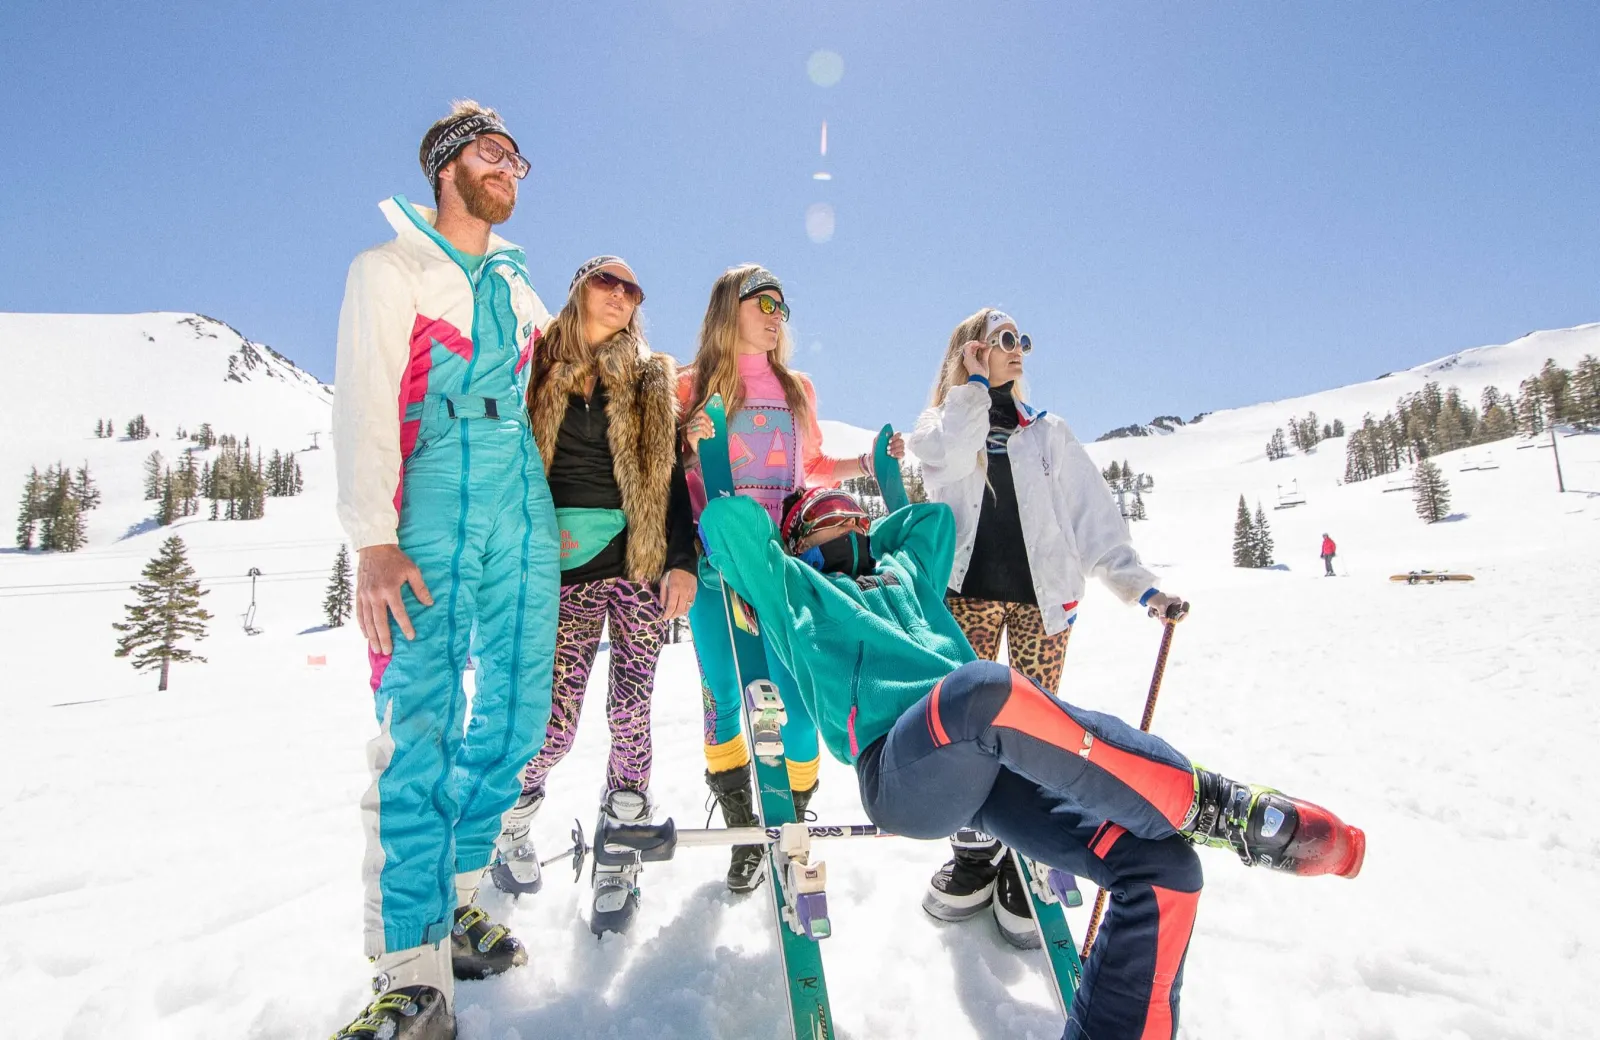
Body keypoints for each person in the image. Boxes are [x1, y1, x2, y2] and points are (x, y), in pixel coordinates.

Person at [698, 486, 1364, 1040]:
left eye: (855, 513)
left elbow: (934, 521)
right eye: (828, 515)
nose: (848, 520)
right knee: (983, 689)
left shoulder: (903, 570)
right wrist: (797, 544)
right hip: (902, 769)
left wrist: (870, 541)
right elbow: (727, 522)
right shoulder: (792, 586)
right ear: (797, 537)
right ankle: (1217, 805)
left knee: (1164, 870)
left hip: (990, 770)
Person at [330, 100, 560, 1040]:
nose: (510, 169)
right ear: (447, 164)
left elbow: (571, 370)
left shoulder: (518, 283)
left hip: (521, 493)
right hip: (432, 484)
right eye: (494, 152)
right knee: (420, 719)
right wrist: (372, 538)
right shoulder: (391, 268)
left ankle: (457, 902)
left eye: (517, 158)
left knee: (517, 709)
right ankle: (407, 970)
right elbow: (363, 398)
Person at [907, 307, 1186, 947]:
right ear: (973, 350)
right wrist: (974, 389)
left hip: (1044, 606)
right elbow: (946, 459)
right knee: (967, 732)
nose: (1019, 349)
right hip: (965, 601)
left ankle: (1023, 858)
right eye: (1005, 339)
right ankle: (973, 855)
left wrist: (1141, 587)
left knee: (1034, 733)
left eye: (1023, 339)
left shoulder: (1048, 433)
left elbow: (1092, 518)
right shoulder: (942, 423)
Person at [488, 256, 698, 938]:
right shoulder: (531, 365)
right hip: (560, 568)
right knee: (554, 720)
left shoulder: (650, 377)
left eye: (632, 289)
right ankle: (509, 823)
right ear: (579, 288)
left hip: (637, 567)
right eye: (608, 282)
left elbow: (667, 478)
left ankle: (621, 848)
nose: (620, 296)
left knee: (631, 711)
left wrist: (681, 562)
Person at [676, 263, 903, 892]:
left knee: (798, 704)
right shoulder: (690, 385)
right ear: (729, 307)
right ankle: (742, 829)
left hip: (786, 567)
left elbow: (812, 462)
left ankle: (792, 820)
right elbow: (668, 465)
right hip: (715, 566)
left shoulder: (796, 388)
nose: (777, 315)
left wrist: (867, 463)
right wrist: (685, 441)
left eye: (783, 306)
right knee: (724, 694)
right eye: (764, 303)